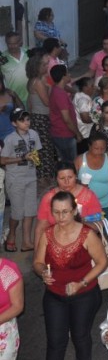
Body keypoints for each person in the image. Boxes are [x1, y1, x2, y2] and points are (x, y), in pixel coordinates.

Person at [33, 190, 108, 360]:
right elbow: (37, 262)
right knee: (55, 342)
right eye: (56, 212)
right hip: (54, 296)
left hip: (85, 295)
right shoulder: (47, 234)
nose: (61, 216)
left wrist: (81, 283)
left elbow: (101, 262)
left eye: (65, 211)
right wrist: (43, 271)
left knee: (80, 337)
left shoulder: (87, 234)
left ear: (74, 211)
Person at [1, 108, 41, 252]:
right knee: (17, 212)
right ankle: (11, 235)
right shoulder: (9, 139)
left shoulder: (34, 135)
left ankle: (26, 241)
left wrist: (35, 160)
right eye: (22, 120)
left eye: (27, 119)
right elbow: (2, 160)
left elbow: (36, 152)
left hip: (31, 177)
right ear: (14, 123)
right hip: (15, 179)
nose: (26, 123)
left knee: (30, 211)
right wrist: (22, 158)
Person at [27, 50, 57, 184]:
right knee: (45, 149)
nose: (46, 67)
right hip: (41, 118)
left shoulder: (31, 81)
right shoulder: (38, 82)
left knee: (39, 148)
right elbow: (47, 102)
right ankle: (45, 177)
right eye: (44, 65)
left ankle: (41, 175)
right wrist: (50, 88)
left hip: (36, 117)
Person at [76, 132, 108, 222]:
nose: (100, 151)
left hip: (106, 204)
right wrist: (80, 184)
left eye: (102, 148)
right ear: (89, 146)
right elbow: (72, 182)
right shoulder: (79, 160)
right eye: (96, 148)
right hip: (85, 204)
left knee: (106, 230)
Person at [49, 64, 82, 162]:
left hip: (60, 133)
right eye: (67, 73)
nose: (70, 74)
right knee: (71, 162)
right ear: (63, 76)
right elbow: (66, 119)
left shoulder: (56, 89)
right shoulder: (60, 95)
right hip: (64, 134)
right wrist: (77, 133)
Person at [1, 31, 29, 106]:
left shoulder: (28, 52)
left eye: (15, 43)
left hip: (31, 97)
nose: (12, 46)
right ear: (6, 43)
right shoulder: (2, 59)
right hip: (14, 100)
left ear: (20, 42)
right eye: (9, 44)